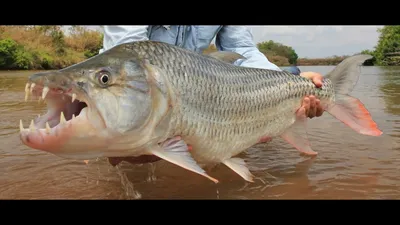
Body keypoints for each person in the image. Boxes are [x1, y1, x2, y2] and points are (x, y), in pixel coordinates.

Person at [100, 25, 324, 166]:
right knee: (125, 144)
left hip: (200, 86)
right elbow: (128, 55)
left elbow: (242, 50)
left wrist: (290, 81)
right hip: (142, 84)